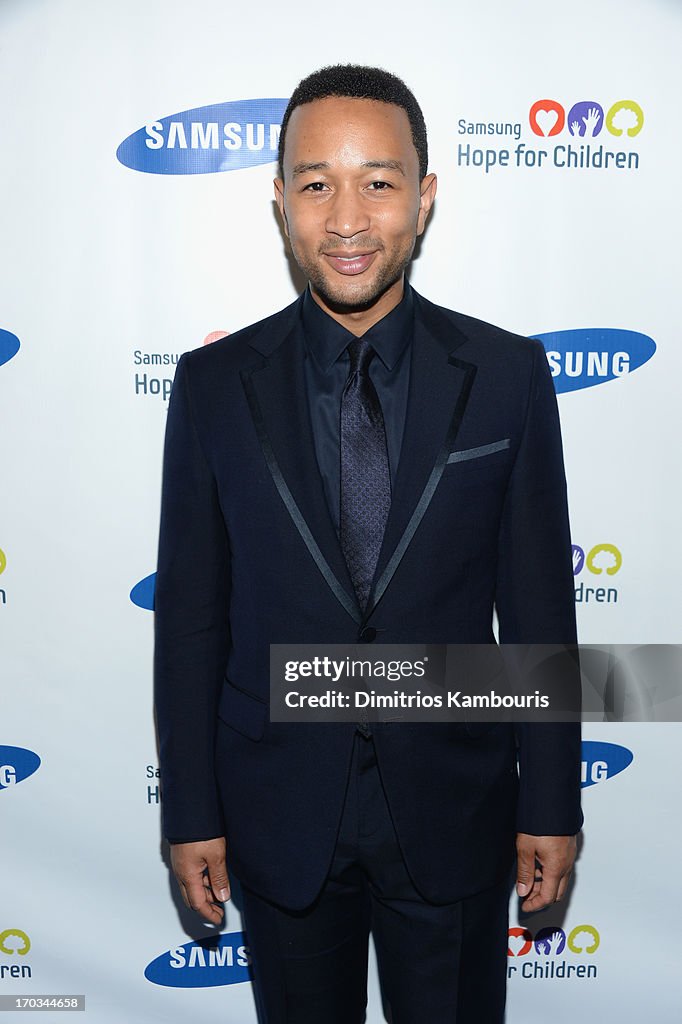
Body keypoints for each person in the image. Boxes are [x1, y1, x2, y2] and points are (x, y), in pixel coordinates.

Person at [154, 64, 582, 1023]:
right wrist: (191, 812)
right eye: (316, 184)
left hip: (456, 808)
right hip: (276, 812)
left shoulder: (508, 374)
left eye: (379, 182)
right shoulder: (216, 384)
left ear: (424, 199)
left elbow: (539, 609)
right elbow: (190, 621)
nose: (347, 217)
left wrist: (551, 803)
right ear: (280, 202)